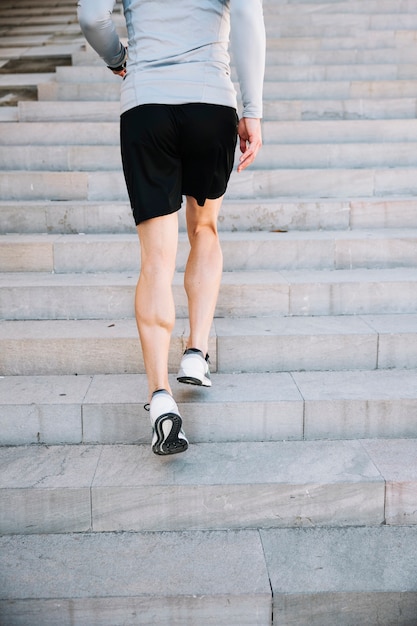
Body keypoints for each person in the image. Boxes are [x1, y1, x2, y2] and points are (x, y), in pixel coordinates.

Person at [77, 0, 265, 456]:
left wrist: (118, 58)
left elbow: (91, 16)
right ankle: (196, 353)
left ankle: (161, 397)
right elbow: (247, 18)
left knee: (155, 260)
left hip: (146, 106)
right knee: (205, 229)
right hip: (210, 103)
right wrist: (253, 109)